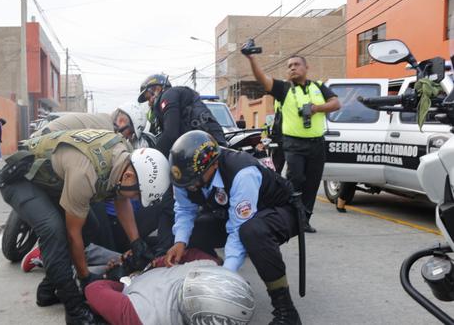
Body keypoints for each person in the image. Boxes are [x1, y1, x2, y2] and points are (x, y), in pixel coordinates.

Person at [0, 129, 170, 324]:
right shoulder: (85, 174)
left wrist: (136, 242)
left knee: (90, 227)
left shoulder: (126, 161)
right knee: (53, 230)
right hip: (20, 179)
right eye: (138, 194)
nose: (137, 199)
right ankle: (73, 309)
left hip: (52, 182)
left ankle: (49, 289)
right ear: (129, 176)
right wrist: (85, 278)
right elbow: (73, 236)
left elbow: (121, 200)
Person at [166, 130, 302, 325]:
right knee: (195, 231)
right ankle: (207, 280)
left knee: (252, 232)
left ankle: (286, 312)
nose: (190, 188)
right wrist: (180, 242)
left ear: (213, 166)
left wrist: (225, 278)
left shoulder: (241, 173)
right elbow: (184, 209)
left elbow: (238, 229)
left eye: (194, 182)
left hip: (281, 210)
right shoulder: (186, 175)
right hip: (235, 214)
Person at [245, 52, 341, 233]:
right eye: (289, 66)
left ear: (306, 68)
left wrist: (316, 108)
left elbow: (336, 103)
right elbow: (262, 79)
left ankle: (304, 220)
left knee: (312, 183)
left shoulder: (319, 87)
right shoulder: (284, 88)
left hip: (317, 144)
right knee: (295, 179)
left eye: (296, 64)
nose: (292, 68)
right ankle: (289, 216)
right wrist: (252, 59)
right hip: (294, 144)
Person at [84, 250, 255, 325]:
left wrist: (120, 281)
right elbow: (192, 252)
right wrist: (157, 261)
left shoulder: (141, 316)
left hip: (130, 283)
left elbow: (94, 289)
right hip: (149, 268)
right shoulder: (209, 265)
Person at [137, 73, 227, 157]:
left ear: (157, 89)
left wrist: (152, 157)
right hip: (205, 142)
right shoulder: (175, 98)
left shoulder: (168, 95)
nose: (149, 103)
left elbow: (171, 134)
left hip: (209, 143)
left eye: (149, 98)